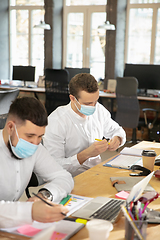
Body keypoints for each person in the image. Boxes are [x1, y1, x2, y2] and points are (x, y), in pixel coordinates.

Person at [0, 97, 74, 228]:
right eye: (29, 136)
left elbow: (64, 177)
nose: (35, 143)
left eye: (40, 137)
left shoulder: (35, 147)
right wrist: (30, 211)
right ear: (11, 127)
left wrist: (44, 195)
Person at [43, 73, 126, 176]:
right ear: (72, 98)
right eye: (87, 104)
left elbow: (118, 131)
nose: (93, 107)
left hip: (95, 173)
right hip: (69, 178)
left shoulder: (99, 110)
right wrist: (86, 154)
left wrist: (117, 139)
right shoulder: (57, 121)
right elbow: (54, 167)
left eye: (95, 101)